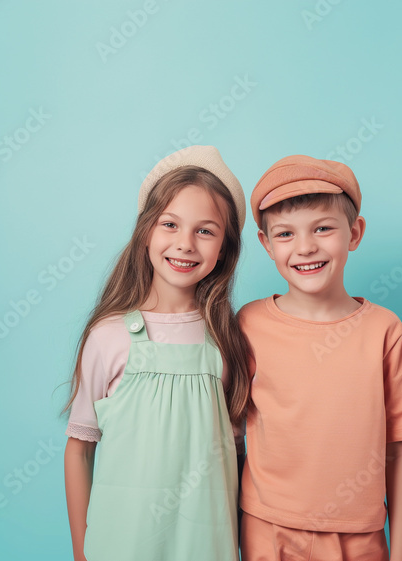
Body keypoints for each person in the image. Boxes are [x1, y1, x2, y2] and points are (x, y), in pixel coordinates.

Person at [61, 145, 250, 561]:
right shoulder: (109, 337)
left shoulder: (226, 340)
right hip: (122, 546)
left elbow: (235, 456)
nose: (185, 244)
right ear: (147, 230)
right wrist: (82, 551)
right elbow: (79, 449)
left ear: (225, 249)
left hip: (206, 546)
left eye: (205, 230)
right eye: (170, 224)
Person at [238, 155, 402, 561]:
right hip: (266, 529)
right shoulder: (249, 323)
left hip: (358, 539)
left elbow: (399, 449)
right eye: (285, 234)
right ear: (266, 243)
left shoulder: (384, 330)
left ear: (354, 232)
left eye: (322, 228)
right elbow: (228, 433)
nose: (305, 247)